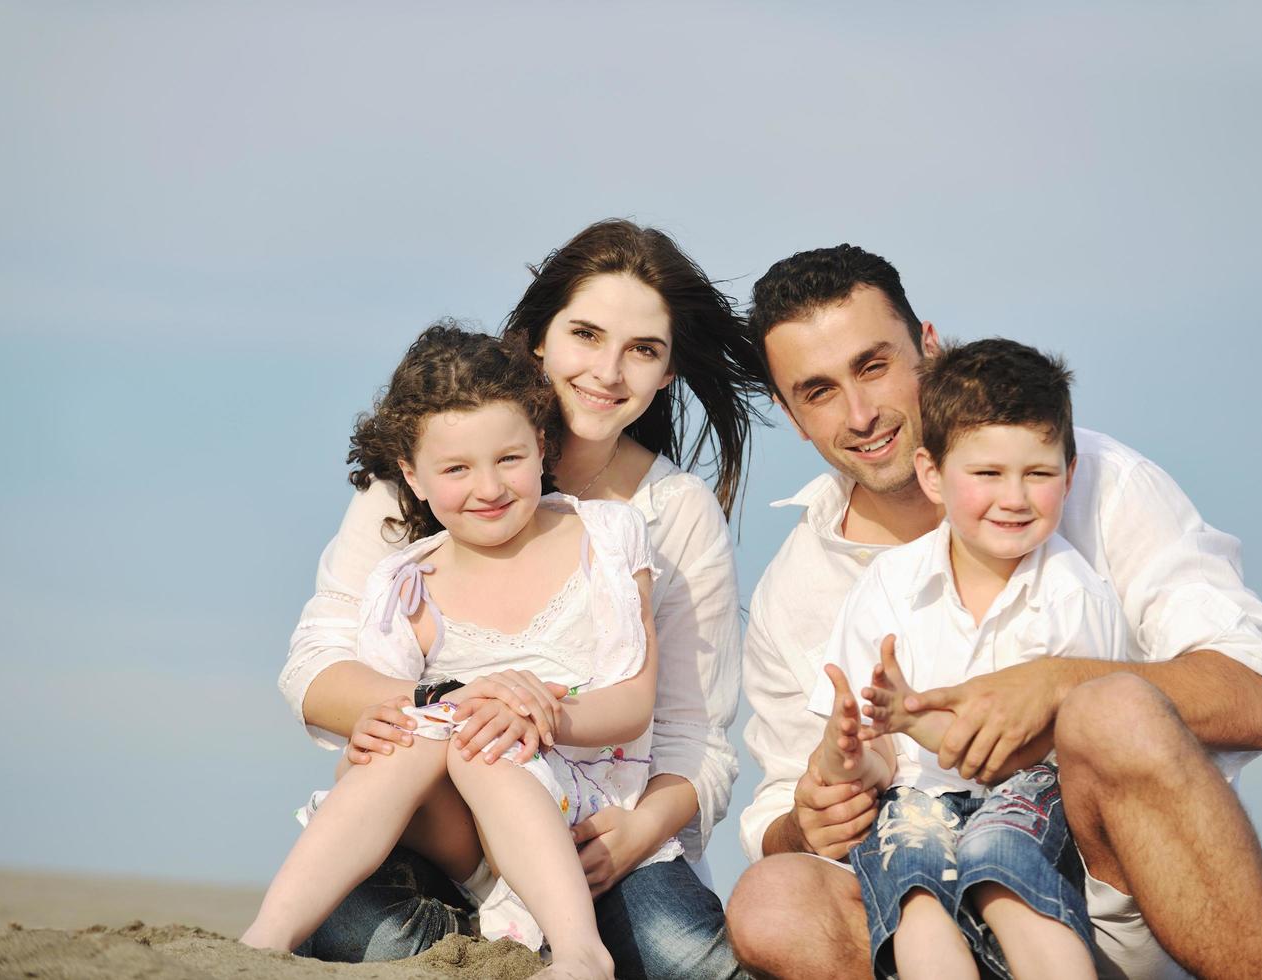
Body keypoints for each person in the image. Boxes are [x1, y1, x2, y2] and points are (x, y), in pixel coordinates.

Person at [727, 244, 1262, 979]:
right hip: (920, 882)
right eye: (819, 391)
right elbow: (783, 807)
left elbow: (1261, 698)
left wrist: (1060, 683)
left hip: (1109, 882)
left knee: (1111, 708)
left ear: (928, 349)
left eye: (874, 366)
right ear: (789, 413)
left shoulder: (1091, 479)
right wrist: (807, 816)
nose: (861, 413)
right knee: (772, 898)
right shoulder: (796, 586)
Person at [279, 220, 760, 978]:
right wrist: (451, 705)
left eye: (643, 350)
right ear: (537, 337)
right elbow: (318, 662)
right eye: (586, 334)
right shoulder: (424, 476)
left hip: (594, 826)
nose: (608, 371)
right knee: (355, 935)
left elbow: (696, 735)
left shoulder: (670, 513)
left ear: (668, 371)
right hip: (436, 816)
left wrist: (636, 832)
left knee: (686, 960)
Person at [245, 326, 667, 978]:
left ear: (541, 445)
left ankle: (581, 951)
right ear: (412, 476)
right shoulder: (409, 582)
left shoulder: (606, 541)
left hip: (575, 805)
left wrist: (539, 714)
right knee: (423, 732)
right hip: (458, 838)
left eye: (509, 458)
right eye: (456, 469)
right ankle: (265, 937)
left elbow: (635, 704)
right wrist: (373, 733)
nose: (489, 487)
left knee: (488, 739)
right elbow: (377, 752)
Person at [814, 338, 1125, 979]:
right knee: (915, 897)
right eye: (987, 474)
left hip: (1035, 790)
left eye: (1037, 474)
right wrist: (846, 754)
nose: (1014, 497)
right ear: (932, 475)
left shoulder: (1075, 596)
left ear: (1068, 475)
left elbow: (1031, 753)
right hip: (919, 796)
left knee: (1004, 868)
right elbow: (877, 756)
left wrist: (915, 717)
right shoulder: (889, 586)